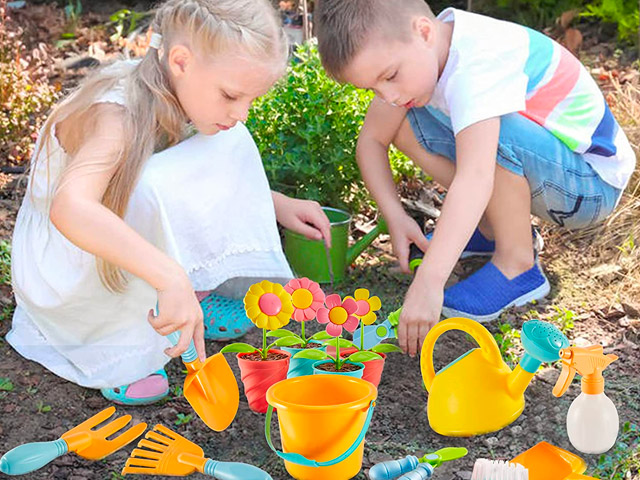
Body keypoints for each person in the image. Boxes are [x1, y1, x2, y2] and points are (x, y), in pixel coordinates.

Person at [8, 0, 330, 405]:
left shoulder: (177, 89)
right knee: (155, 183)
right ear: (180, 60)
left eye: (250, 99)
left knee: (228, 142)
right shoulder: (116, 113)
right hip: (71, 265)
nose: (241, 112)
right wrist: (169, 276)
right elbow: (70, 208)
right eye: (231, 95)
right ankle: (118, 343)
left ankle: (193, 293)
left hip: (117, 237)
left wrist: (275, 203)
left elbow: (188, 173)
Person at [315, 0, 636, 356]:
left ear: (423, 31)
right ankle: (489, 229)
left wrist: (429, 281)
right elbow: (372, 141)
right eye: (373, 88)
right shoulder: (423, 50)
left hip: (589, 183)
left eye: (390, 76)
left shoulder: (476, 64)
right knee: (403, 121)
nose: (387, 95)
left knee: (491, 134)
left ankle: (518, 263)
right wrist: (395, 215)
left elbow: (476, 176)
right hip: (548, 169)